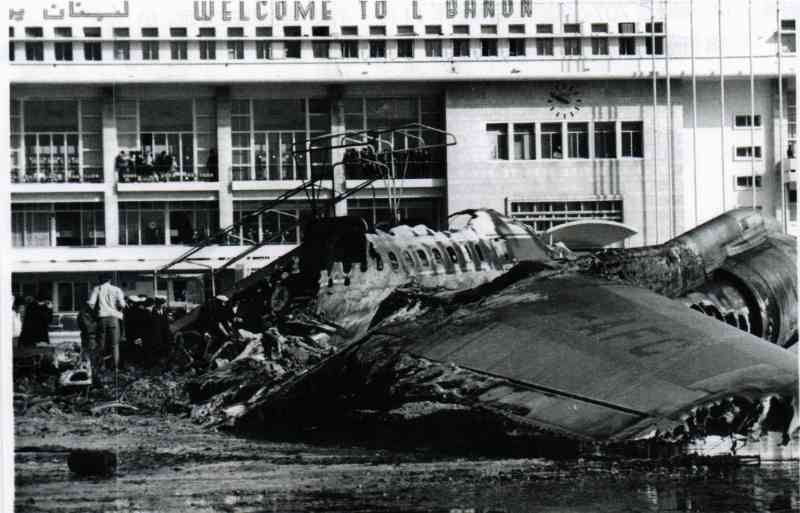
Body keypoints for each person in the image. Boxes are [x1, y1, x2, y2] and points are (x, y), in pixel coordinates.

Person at [88, 274, 127, 371]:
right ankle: (115, 367)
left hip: (102, 318)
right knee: (115, 344)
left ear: (100, 280)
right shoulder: (117, 289)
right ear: (110, 280)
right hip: (114, 318)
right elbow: (122, 304)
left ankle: (102, 366)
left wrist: (96, 313)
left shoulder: (97, 289)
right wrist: (118, 310)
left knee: (101, 344)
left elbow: (91, 303)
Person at [77, 298, 99, 369]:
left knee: (90, 353)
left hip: (89, 337)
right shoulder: (84, 313)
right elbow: (88, 327)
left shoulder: (90, 312)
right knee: (90, 354)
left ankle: (90, 367)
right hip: (89, 337)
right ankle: (89, 368)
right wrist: (97, 325)